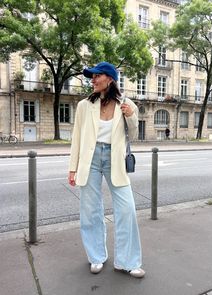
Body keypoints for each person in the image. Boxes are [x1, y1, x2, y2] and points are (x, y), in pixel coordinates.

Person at [68, 62, 145, 278]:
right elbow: (77, 138)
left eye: (96, 76)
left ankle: (128, 261)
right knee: (90, 210)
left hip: (115, 159)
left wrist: (130, 115)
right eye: (91, 77)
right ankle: (96, 257)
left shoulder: (126, 104)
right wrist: (72, 168)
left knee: (127, 209)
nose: (92, 80)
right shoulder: (85, 105)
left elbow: (134, 133)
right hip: (90, 159)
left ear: (110, 78)